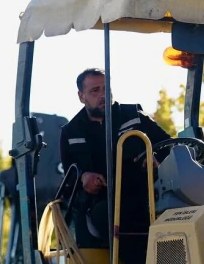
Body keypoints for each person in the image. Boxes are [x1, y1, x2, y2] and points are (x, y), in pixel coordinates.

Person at [59, 68, 173, 244]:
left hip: (146, 195)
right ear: (82, 96)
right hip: (100, 203)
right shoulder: (70, 131)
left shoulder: (134, 116)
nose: (103, 95)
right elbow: (68, 177)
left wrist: (154, 156)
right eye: (95, 91)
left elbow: (169, 145)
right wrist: (83, 177)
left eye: (106, 88)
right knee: (106, 215)